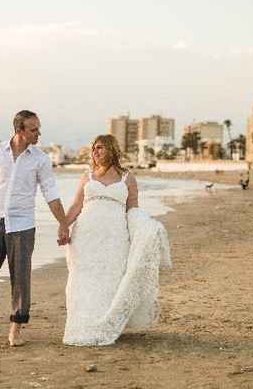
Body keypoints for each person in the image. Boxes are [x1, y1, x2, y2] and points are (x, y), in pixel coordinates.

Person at [0, 110, 69, 347]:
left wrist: (63, 223)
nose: (38, 134)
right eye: (33, 129)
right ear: (19, 130)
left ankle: (16, 325)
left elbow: (51, 194)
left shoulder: (40, 159)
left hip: (23, 224)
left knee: (21, 279)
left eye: (38, 128)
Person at [62, 134, 172, 346]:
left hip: (115, 236)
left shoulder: (127, 178)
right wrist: (63, 226)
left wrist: (148, 228)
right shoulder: (87, 176)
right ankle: (82, 324)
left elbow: (133, 210)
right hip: (85, 235)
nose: (96, 152)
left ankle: (105, 323)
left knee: (110, 278)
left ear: (112, 150)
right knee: (83, 279)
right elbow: (76, 206)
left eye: (100, 148)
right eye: (94, 148)